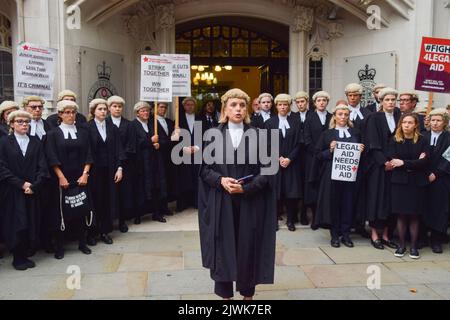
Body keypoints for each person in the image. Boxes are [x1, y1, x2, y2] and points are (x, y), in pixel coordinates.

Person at [198, 88, 276, 300]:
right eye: (233, 105)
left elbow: (268, 171)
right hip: (221, 202)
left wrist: (246, 188)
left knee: (248, 248)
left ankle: (248, 297)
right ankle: (225, 298)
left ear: (248, 108)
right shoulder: (212, 135)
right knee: (222, 249)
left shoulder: (260, 135)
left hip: (250, 202)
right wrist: (220, 180)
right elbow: (204, 170)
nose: (238, 109)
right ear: (225, 108)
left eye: (242, 105)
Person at [0, 110, 48, 270]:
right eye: (20, 122)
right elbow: (2, 168)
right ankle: (17, 257)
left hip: (32, 190)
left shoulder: (35, 142)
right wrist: (21, 184)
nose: (24, 125)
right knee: (16, 223)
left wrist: (34, 185)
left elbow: (43, 166)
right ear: (12, 124)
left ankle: (26, 252)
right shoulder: (4, 142)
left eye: (26, 122)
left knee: (31, 221)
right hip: (13, 191)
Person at [45, 100, 93, 259]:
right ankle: (60, 246)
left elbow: (88, 154)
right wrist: (61, 177)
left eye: (73, 112)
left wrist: (85, 173)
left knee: (81, 209)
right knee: (60, 212)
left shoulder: (83, 132)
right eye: (67, 112)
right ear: (60, 114)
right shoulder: (52, 134)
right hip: (61, 179)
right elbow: (51, 156)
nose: (70, 115)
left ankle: (82, 242)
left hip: (81, 177)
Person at [314, 104, 365, 247]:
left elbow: (363, 156)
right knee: (334, 204)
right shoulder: (327, 134)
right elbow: (318, 155)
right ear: (335, 116)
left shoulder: (356, 132)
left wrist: (361, 150)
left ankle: (346, 234)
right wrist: (329, 150)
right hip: (332, 176)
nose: (343, 117)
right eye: (340, 114)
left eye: (345, 114)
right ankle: (335, 234)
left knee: (348, 204)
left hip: (351, 176)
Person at [388, 113, 429, 259]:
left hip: (417, 183)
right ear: (400, 124)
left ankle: (413, 247)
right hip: (400, 182)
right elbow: (393, 161)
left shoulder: (423, 140)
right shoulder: (394, 140)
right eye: (404, 122)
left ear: (416, 125)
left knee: (414, 215)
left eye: (410, 122)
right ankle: (401, 245)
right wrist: (413, 163)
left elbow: (424, 162)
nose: (406, 125)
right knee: (401, 215)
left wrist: (404, 163)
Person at [365, 88, 401, 250]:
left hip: (397, 165)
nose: (391, 102)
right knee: (377, 200)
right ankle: (374, 234)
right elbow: (373, 143)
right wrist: (384, 162)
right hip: (379, 167)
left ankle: (386, 235)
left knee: (391, 201)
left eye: (393, 100)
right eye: (387, 100)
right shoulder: (374, 118)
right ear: (381, 101)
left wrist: (395, 162)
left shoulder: (400, 116)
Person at [86, 98, 124, 245]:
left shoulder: (112, 127)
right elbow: (86, 151)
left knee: (107, 201)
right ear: (93, 111)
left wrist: (119, 168)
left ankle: (104, 231)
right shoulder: (86, 127)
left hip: (109, 170)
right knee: (94, 201)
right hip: (93, 171)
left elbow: (118, 149)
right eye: (100, 109)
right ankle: (91, 233)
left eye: (104, 109)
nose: (103, 112)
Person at [265, 94, 301, 231]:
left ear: (289, 106)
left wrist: (289, 158)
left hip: (292, 163)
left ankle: (291, 220)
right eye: (280, 104)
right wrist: (279, 157)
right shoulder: (269, 123)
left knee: (291, 194)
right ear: (276, 106)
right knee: (275, 193)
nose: (282, 107)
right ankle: (274, 220)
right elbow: (266, 143)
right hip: (275, 163)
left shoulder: (296, 122)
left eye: (285, 104)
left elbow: (299, 143)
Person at [23, 95, 53, 252]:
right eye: (33, 107)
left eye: (40, 107)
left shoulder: (48, 125)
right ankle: (30, 244)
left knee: (47, 209)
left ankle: (46, 241)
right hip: (29, 176)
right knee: (30, 211)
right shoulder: (22, 127)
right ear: (26, 108)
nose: (37, 110)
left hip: (47, 174)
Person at [107, 95, 136, 232]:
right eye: (115, 106)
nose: (117, 109)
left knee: (123, 193)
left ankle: (122, 221)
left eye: (119, 106)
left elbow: (131, 145)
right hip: (108, 164)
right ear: (109, 108)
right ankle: (109, 221)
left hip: (125, 164)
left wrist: (121, 159)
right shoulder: (105, 123)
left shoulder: (128, 124)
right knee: (110, 193)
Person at [304, 91, 332, 229]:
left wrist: (327, 153)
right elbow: (306, 138)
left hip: (329, 158)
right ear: (314, 103)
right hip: (312, 158)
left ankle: (326, 219)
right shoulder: (309, 118)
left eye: (324, 100)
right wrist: (317, 152)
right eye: (319, 100)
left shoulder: (332, 117)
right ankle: (315, 218)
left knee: (326, 189)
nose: (321, 102)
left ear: (327, 102)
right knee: (314, 188)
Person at [423, 109, 450, 254]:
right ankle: (421, 237)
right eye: (433, 120)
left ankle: (436, 240)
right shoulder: (423, 136)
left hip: (442, 178)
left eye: (438, 120)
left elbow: (448, 158)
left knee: (439, 208)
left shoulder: (448, 137)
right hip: (423, 177)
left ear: (444, 122)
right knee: (423, 205)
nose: (435, 123)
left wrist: (436, 173)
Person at [129, 101, 158, 224]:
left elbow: (156, 140)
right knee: (139, 189)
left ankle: (156, 213)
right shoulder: (133, 125)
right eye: (143, 111)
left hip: (152, 161)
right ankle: (138, 215)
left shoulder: (152, 124)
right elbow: (134, 144)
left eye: (147, 110)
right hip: (140, 162)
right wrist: (150, 141)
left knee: (155, 187)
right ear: (137, 113)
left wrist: (157, 144)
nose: (146, 113)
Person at [175, 97, 202, 212]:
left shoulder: (200, 118)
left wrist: (197, 147)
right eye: (187, 104)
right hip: (183, 152)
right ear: (184, 106)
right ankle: (183, 203)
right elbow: (174, 138)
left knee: (197, 177)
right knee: (183, 178)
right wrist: (183, 147)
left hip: (197, 152)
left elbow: (205, 135)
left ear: (194, 106)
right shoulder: (177, 119)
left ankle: (196, 202)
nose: (190, 106)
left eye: (192, 104)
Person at [150, 102, 175, 220]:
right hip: (156, 157)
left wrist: (177, 134)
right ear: (155, 108)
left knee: (167, 182)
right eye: (160, 107)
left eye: (165, 107)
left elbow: (173, 140)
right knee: (158, 184)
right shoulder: (150, 122)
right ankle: (157, 211)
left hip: (169, 156)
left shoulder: (170, 122)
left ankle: (165, 206)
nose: (163, 109)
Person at [294, 91, 312, 225]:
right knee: (296, 183)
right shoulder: (293, 117)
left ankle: (305, 212)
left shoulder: (312, 115)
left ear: (307, 102)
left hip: (308, 154)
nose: (300, 104)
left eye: (302, 102)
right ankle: (294, 213)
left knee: (307, 182)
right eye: (298, 102)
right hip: (296, 155)